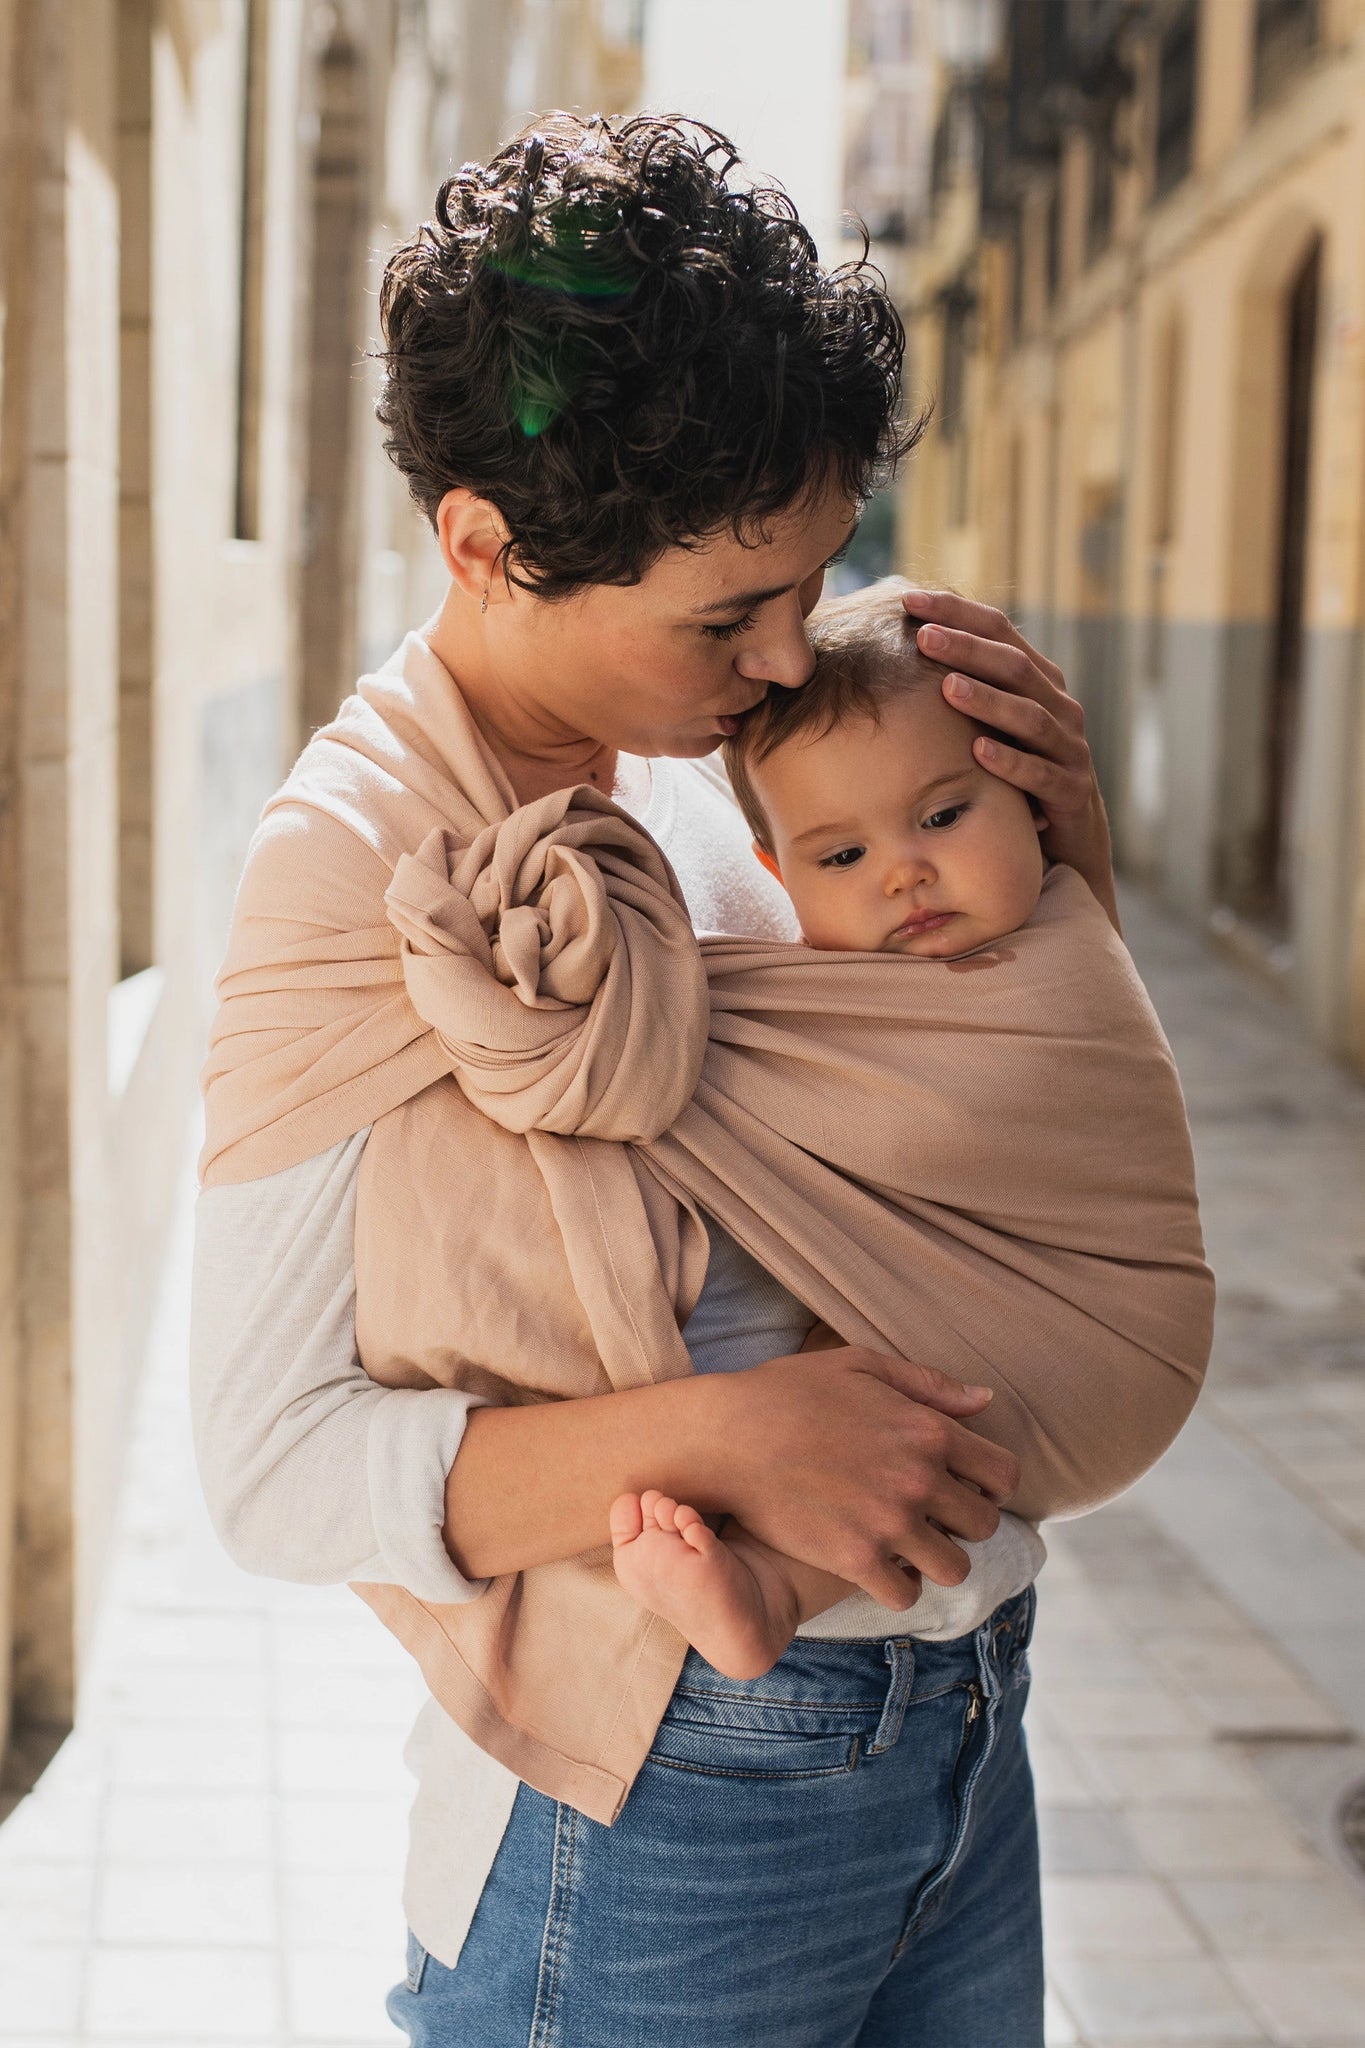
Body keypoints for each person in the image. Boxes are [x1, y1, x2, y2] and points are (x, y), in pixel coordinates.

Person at [191, 114, 1134, 2047]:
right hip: (658, 1822)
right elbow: (270, 1470)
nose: (789, 656)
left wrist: (1063, 879)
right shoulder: (360, 857)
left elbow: (950, 1153)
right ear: (485, 543)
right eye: (727, 612)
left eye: (812, 578)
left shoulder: (745, 762)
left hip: (964, 1720)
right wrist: (718, 1441)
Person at [608, 579, 1208, 1685]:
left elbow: (965, 1120)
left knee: (889, 1397)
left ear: (1031, 800)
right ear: (777, 882)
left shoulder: (1067, 958)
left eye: (942, 815)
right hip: (988, 1401)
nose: (903, 870)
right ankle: (770, 1592)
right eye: (842, 858)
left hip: (1092, 1345)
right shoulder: (840, 993)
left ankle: (775, 1586)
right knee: (859, 1395)